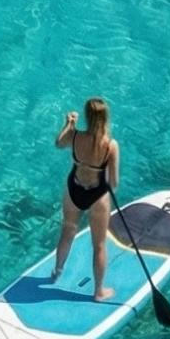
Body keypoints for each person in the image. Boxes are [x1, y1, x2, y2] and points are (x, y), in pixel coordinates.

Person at [50, 97, 121, 300]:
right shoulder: (111, 146)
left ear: (87, 117)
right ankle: (99, 291)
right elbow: (114, 182)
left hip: (74, 189)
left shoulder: (74, 136)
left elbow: (58, 143)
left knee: (68, 230)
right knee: (99, 244)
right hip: (97, 196)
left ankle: (57, 270)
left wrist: (69, 124)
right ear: (105, 117)